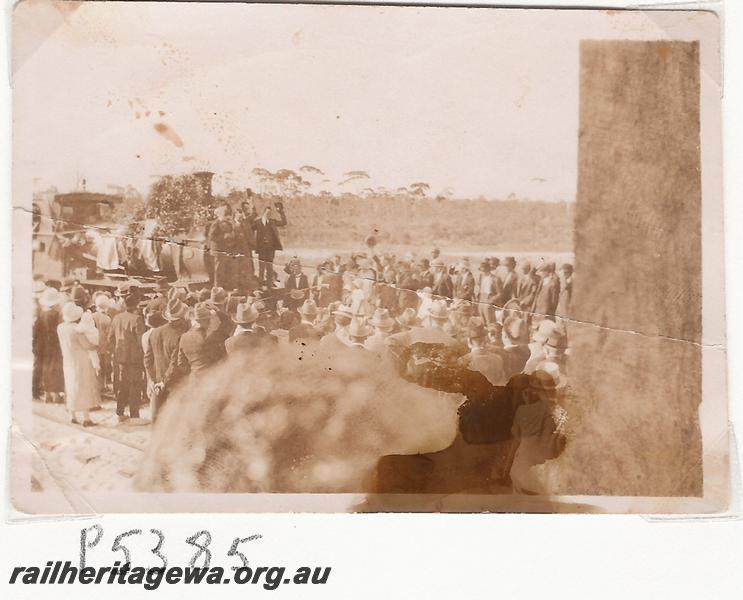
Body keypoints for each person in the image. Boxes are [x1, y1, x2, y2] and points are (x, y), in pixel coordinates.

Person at [501, 370, 568, 494]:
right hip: (544, 470)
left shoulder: (523, 410)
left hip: (521, 465)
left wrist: (507, 467)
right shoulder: (559, 413)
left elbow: (517, 440)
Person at [145, 297, 189, 420]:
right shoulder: (180, 335)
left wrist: (153, 379)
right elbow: (174, 364)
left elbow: (147, 360)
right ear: (181, 317)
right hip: (174, 382)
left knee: (158, 417)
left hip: (157, 381)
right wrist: (164, 382)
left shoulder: (155, 332)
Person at [57, 302, 99, 426]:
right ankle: (86, 418)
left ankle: (72, 415)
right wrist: (96, 345)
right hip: (80, 360)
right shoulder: (76, 330)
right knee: (83, 387)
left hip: (68, 359)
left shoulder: (60, 327)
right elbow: (87, 345)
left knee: (70, 386)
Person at [108, 293, 146, 423]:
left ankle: (120, 412)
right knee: (135, 385)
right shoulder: (137, 319)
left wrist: (117, 351)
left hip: (120, 358)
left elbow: (111, 338)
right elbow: (141, 340)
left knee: (122, 385)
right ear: (137, 304)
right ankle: (134, 415)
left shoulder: (116, 318)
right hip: (134, 359)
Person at [33, 288, 65, 403]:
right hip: (55, 344)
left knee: (46, 368)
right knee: (55, 369)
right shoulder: (56, 314)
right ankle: (56, 395)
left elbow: (36, 331)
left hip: (43, 345)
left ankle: (47, 395)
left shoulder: (41, 313)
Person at [458, 318, 506, 386]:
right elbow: (502, 384)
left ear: (469, 341)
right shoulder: (498, 359)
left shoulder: (462, 362)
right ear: (485, 340)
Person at [252, 200, 287, 285]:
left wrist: (281, 212)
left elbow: (284, 222)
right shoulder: (257, 222)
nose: (268, 214)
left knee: (270, 267)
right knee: (261, 268)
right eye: (267, 213)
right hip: (261, 248)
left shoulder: (272, 222)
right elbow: (249, 229)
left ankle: (269, 285)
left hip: (271, 248)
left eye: (270, 213)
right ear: (264, 213)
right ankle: (260, 285)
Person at [207, 205, 235, 289]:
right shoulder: (215, 224)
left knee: (226, 268)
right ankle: (217, 287)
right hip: (218, 250)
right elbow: (211, 236)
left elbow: (231, 231)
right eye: (223, 213)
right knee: (219, 269)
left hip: (227, 249)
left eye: (225, 213)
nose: (225, 215)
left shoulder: (227, 223)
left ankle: (226, 286)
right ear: (219, 214)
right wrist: (224, 236)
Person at [476, 260, 498, 325]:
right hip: (481, 301)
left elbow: (500, 293)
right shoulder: (482, 278)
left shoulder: (494, 278)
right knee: (482, 322)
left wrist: (491, 300)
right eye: (481, 271)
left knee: (490, 322)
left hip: (488, 302)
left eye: (483, 271)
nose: (482, 272)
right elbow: (480, 290)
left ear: (487, 269)